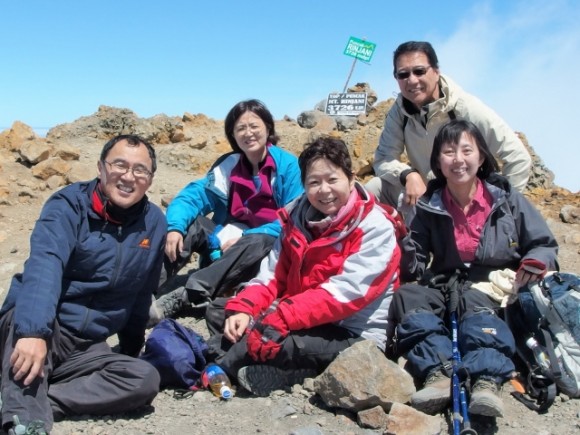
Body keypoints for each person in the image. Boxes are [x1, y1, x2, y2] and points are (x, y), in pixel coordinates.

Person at [205, 137, 401, 397]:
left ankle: (228, 368)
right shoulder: (296, 219)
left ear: (352, 179)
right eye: (313, 182)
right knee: (222, 313)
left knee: (276, 338)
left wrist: (282, 318)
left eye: (332, 180)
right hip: (303, 317)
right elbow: (272, 275)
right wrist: (245, 308)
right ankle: (275, 364)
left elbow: (344, 293)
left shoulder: (374, 227)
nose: (324, 190)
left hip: (352, 331)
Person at [388, 120, 558, 418]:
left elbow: (544, 244)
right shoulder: (429, 205)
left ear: (481, 158)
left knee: (474, 301)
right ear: (438, 163)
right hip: (446, 280)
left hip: (495, 284)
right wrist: (404, 237)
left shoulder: (507, 201)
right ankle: (438, 371)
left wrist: (535, 262)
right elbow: (414, 267)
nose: (458, 159)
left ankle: (486, 381)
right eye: (449, 152)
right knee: (409, 297)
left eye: (467, 150)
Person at [0, 135, 166, 434]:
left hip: (87, 347)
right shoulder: (68, 206)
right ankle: (23, 418)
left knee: (144, 380)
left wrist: (131, 350)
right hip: (48, 326)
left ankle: (32, 398)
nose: (128, 176)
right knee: (23, 338)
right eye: (119, 165)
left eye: (140, 170)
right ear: (101, 168)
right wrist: (34, 332)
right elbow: (45, 264)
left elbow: (142, 292)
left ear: (150, 180)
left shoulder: (153, 222)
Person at [149, 99, 303, 325]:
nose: (248, 133)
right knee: (192, 225)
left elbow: (292, 218)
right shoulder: (229, 166)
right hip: (225, 240)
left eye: (254, 126)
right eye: (240, 128)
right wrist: (174, 228)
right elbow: (194, 196)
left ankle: (189, 295)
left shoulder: (288, 167)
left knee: (260, 239)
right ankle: (145, 288)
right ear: (233, 134)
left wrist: (244, 237)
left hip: (266, 249)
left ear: (268, 128)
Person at [366, 40, 532, 217]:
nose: (412, 80)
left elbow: (518, 158)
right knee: (373, 189)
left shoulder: (464, 107)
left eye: (419, 71)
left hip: (465, 197)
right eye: (403, 74)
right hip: (428, 191)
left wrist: (500, 209)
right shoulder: (399, 112)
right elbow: (384, 158)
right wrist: (407, 175)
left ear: (436, 72)